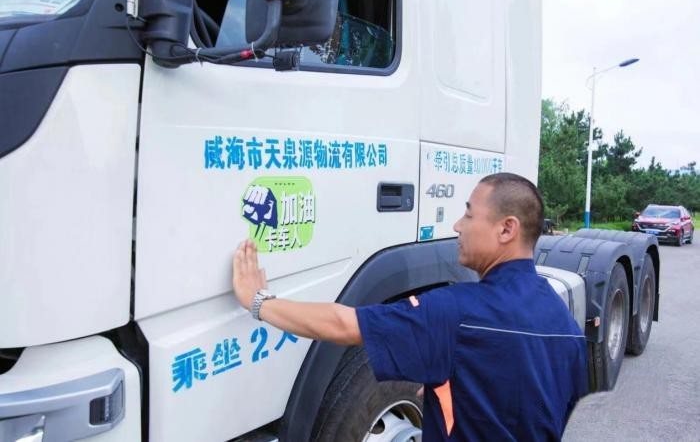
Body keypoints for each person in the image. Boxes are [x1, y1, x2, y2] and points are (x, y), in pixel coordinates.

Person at [232, 172, 588, 441]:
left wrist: (257, 301)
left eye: (468, 214)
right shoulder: (566, 324)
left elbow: (344, 325)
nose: (457, 225)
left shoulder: (457, 312)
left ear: (506, 229)